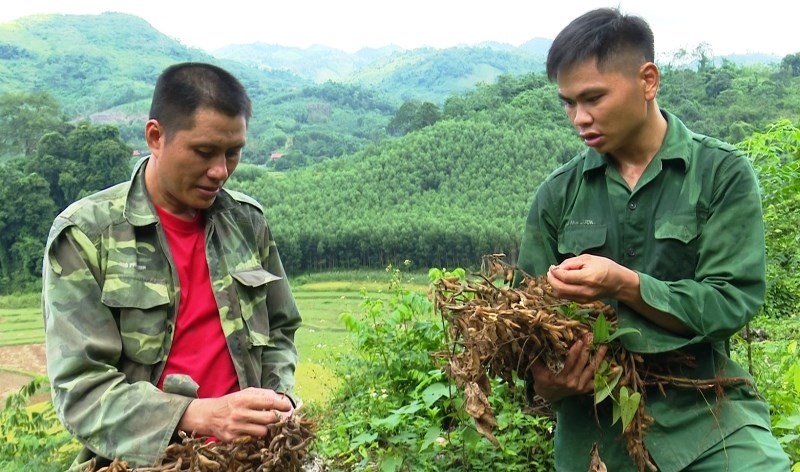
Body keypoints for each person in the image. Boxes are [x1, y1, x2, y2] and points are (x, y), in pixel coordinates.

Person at [515, 8, 790, 472]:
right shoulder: (558, 194)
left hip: (705, 413)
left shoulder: (720, 175)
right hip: (596, 433)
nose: (579, 118)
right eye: (567, 102)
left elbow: (731, 302)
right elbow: (521, 326)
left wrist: (624, 284)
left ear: (647, 81)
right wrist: (545, 382)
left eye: (593, 98)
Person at [42, 62, 302, 471]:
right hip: (143, 462)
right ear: (156, 137)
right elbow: (81, 390)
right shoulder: (87, 236)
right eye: (204, 152)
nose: (220, 171)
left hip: (254, 459)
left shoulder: (247, 223)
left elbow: (281, 328)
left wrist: (276, 399)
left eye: (233, 153)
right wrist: (197, 415)